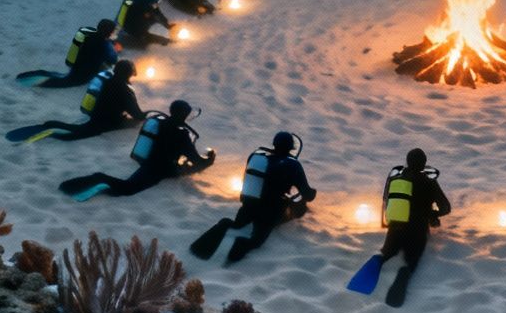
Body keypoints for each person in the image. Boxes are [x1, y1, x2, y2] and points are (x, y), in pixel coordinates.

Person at [191, 131, 318, 263]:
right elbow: (307, 195)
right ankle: (229, 258)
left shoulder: (257, 156)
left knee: (235, 225)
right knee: (256, 240)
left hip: (248, 207)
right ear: (291, 148)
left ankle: (198, 250)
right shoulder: (293, 165)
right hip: (271, 212)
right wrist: (312, 193)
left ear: (274, 144)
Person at [62, 99, 215, 198]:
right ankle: (97, 178)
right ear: (184, 115)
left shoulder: (161, 123)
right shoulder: (182, 135)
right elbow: (196, 161)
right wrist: (210, 160)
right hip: (159, 169)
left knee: (128, 186)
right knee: (127, 188)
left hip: (149, 162)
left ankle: (86, 182)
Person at [355, 148, 451, 303]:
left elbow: (386, 199)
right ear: (424, 164)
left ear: (407, 162)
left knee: (388, 252)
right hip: (417, 231)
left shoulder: (395, 179)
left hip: (395, 229)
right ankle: (404, 273)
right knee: (412, 260)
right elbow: (446, 208)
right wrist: (432, 214)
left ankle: (380, 260)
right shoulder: (429, 182)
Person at [7, 60, 146, 142]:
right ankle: (52, 127)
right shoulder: (125, 90)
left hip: (96, 116)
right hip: (106, 122)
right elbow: (137, 114)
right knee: (76, 133)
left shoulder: (108, 81)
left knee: (79, 129)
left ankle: (52, 125)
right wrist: (149, 113)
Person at [15, 19, 118, 87]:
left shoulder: (90, 36)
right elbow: (113, 59)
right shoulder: (104, 45)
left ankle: (25, 76)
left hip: (77, 67)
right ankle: (25, 80)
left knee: (58, 76)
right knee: (61, 81)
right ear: (108, 33)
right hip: (83, 76)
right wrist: (112, 46)